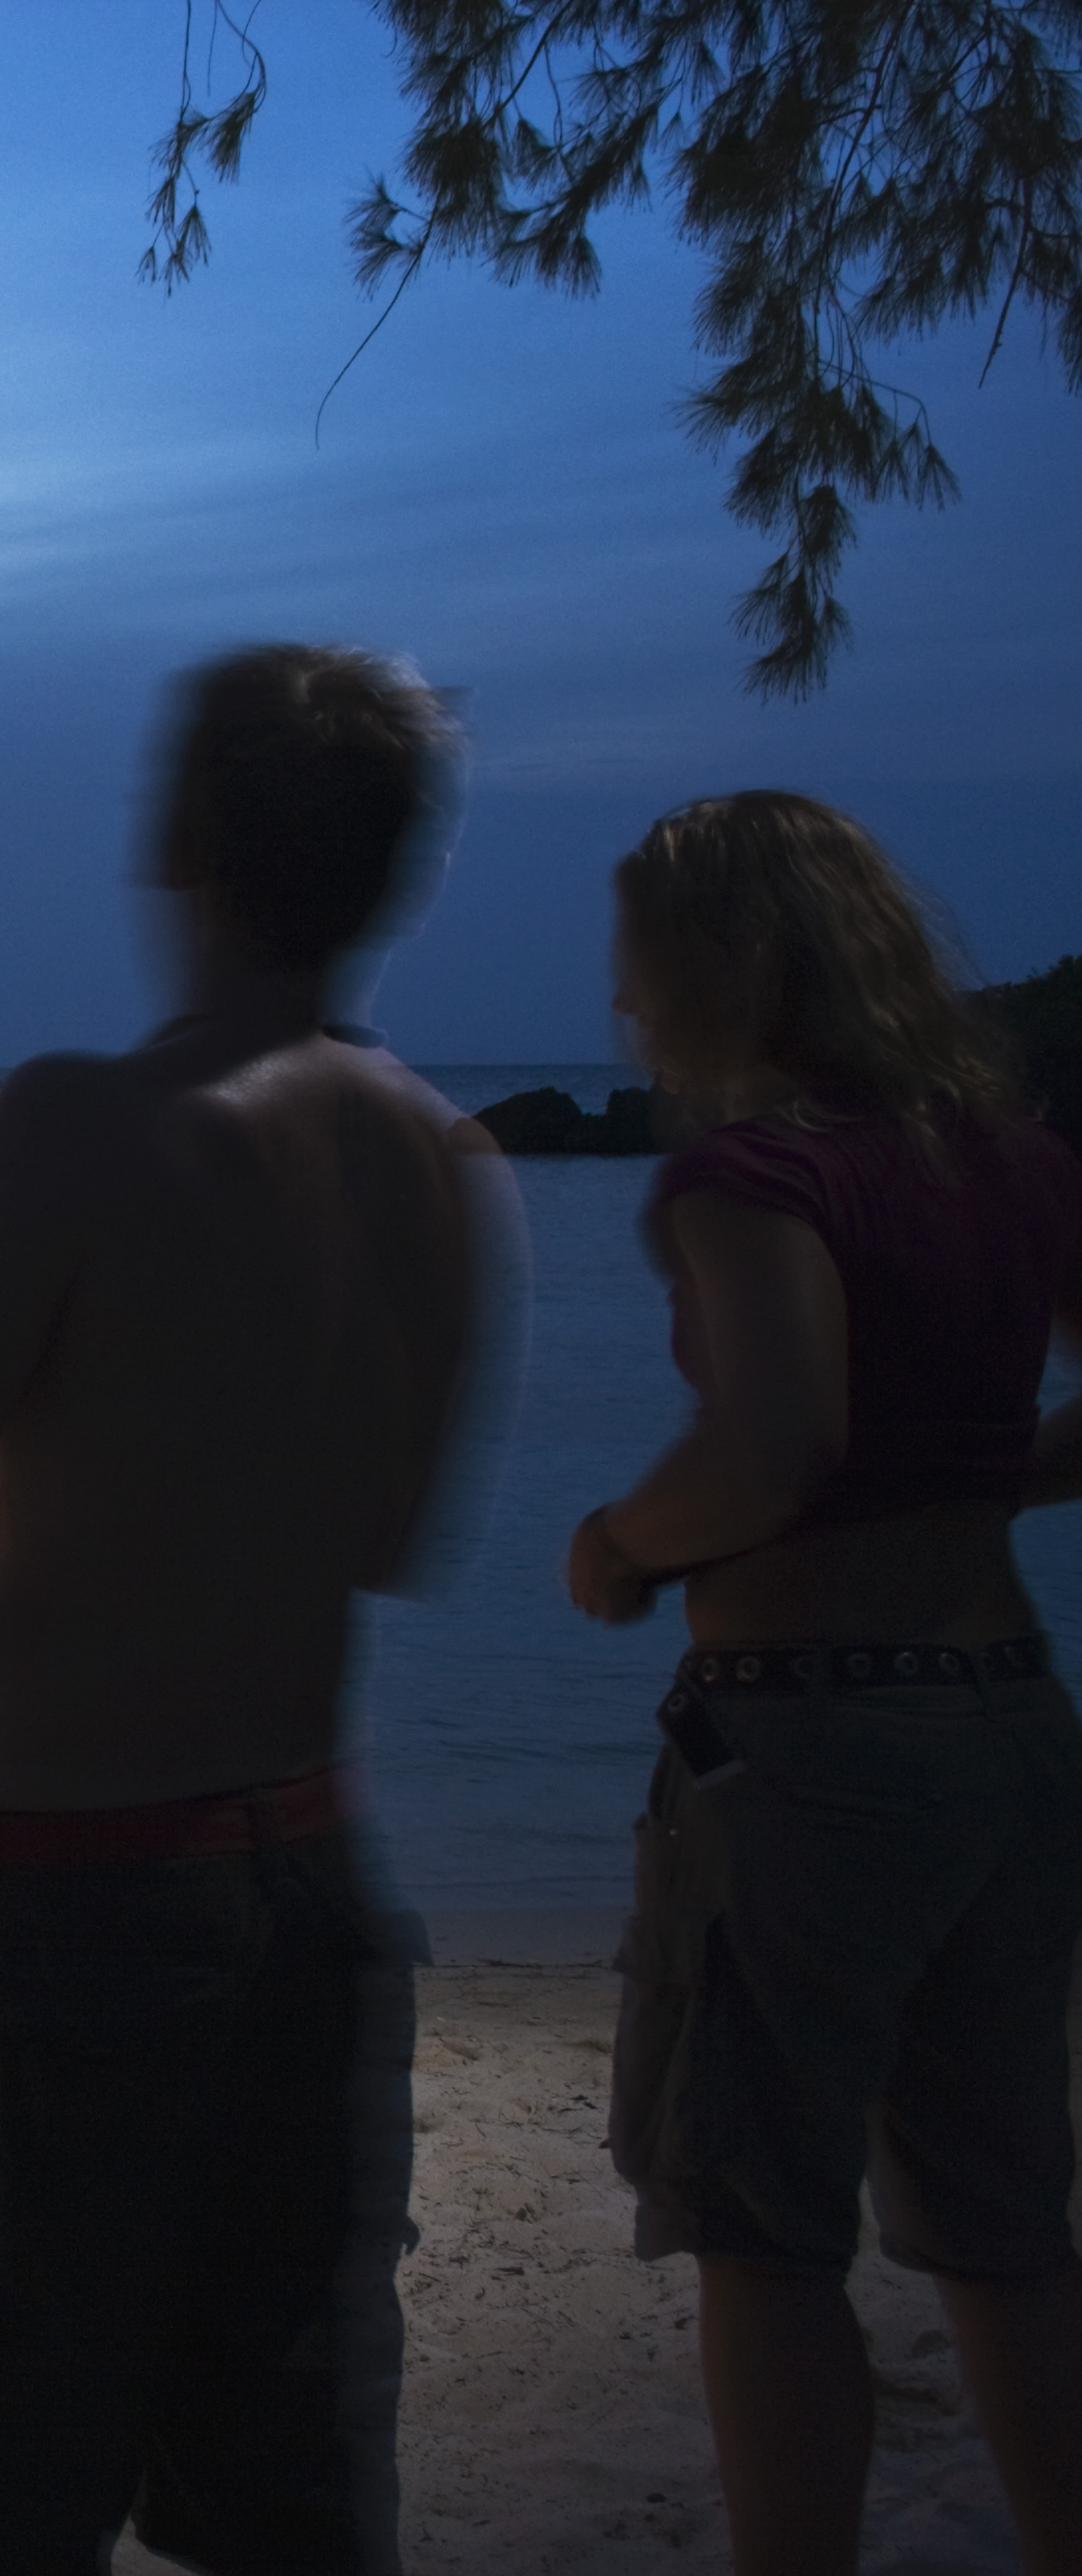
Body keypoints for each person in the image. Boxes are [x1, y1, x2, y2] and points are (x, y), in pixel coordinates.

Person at [0, 645, 507, 2573]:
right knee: (275, 2487)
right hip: (301, 1879)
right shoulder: (449, 1166)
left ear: (179, 836)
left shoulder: (68, 1123)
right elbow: (375, 1525)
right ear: (391, 871)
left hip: (50, 1894)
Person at [566, 791, 1082, 2576]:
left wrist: (623, 1542)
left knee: (763, 2230)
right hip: (1010, 1720)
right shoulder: (1003, 1157)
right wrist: (975, 1470)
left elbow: (769, 1437)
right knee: (1007, 2233)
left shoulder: (746, 1173)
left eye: (635, 970)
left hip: (807, 1748)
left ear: (716, 966)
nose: (620, 1010)